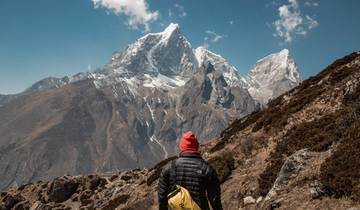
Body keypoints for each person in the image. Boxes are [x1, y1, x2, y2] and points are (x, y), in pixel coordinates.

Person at [158, 131, 223, 210]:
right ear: (196, 147)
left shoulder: (169, 168)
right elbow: (214, 200)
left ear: (182, 147)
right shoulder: (206, 169)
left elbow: (162, 197)